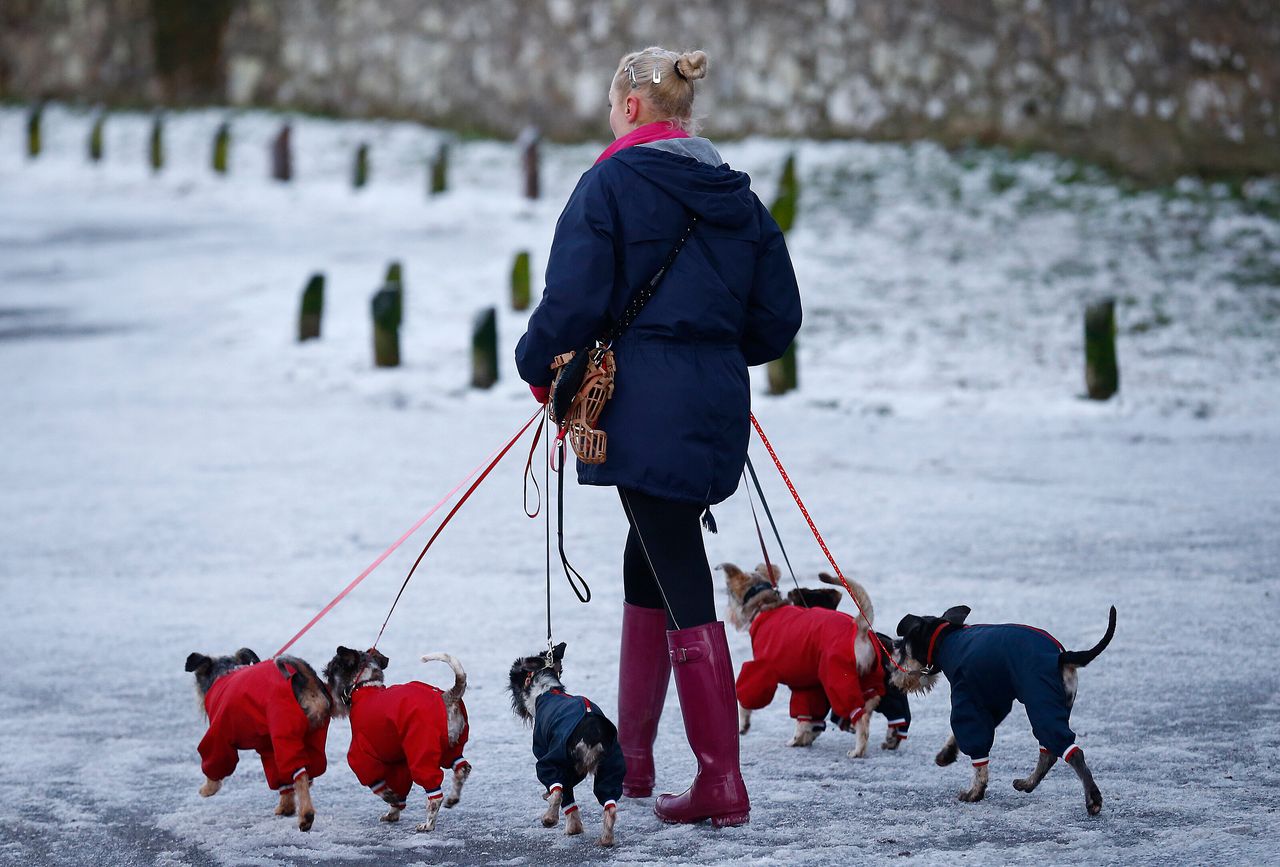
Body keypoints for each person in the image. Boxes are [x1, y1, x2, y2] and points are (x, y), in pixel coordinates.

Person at [515, 46, 801, 827]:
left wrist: (538, 370)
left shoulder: (608, 183)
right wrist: (705, 348)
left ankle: (721, 780)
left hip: (641, 405)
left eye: (612, 107)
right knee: (651, 547)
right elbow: (777, 320)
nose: (611, 119)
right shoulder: (736, 196)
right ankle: (633, 761)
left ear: (633, 108)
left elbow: (571, 299)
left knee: (677, 564)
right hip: (714, 408)